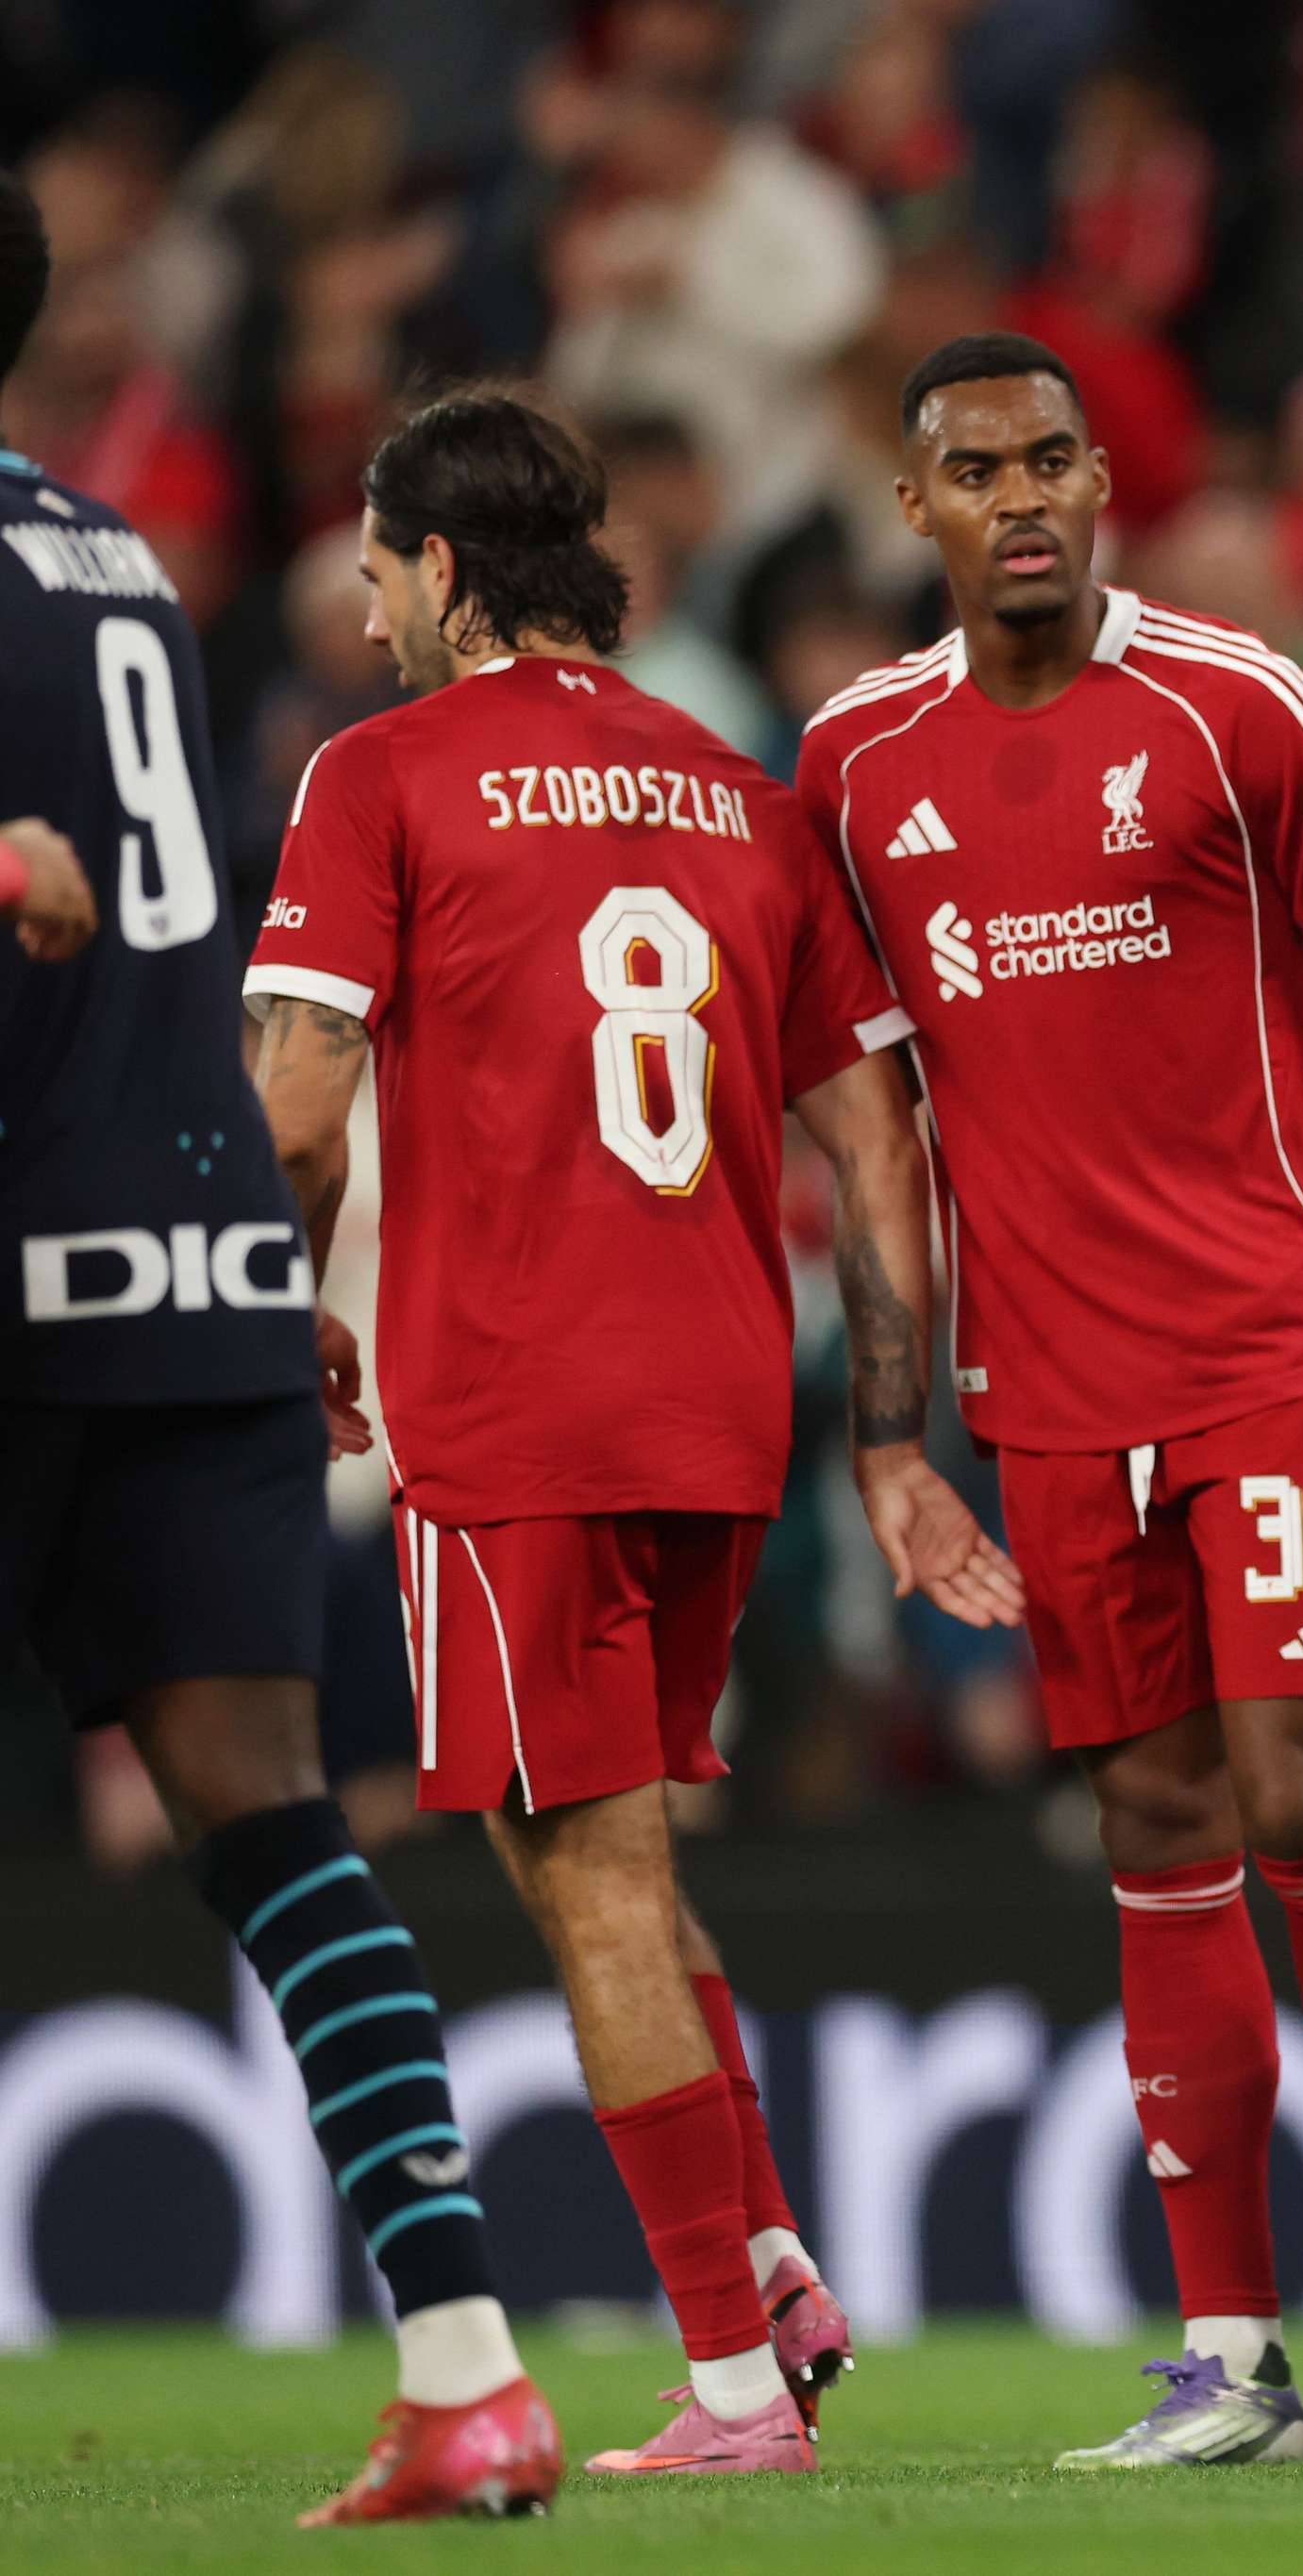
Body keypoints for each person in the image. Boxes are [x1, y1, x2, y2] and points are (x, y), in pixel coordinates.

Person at [246, 389, 1018, 2479]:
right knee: (594, 1843)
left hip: (514, 1396)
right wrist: (884, 1425)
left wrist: (281, 1315)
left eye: (381, 559)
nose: (359, 594)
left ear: (448, 571)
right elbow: (875, 1146)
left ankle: (737, 2387)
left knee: (581, 1870)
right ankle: (765, 2253)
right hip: (717, 1402)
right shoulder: (738, 794)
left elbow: (302, 1105)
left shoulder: (377, 772)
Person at [795, 329, 1303, 2469]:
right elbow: (869, 1130)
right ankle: (1234, 2356)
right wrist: (894, 1429)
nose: (1021, 499)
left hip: (1274, 1345)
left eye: (1051, 462)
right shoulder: (852, 767)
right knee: (1152, 1829)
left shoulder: (1238, 705)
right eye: (976, 472)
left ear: (1101, 476)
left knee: (1302, 1796)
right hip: (1046, 1380)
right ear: (915, 504)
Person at [0, 175, 560, 2530]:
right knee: (275, 1821)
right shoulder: (112, 550)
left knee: (267, 1818)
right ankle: (468, 2372)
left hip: (26, 1253)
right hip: (209, 1246)